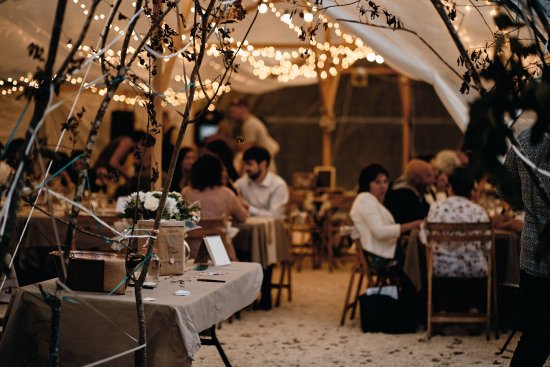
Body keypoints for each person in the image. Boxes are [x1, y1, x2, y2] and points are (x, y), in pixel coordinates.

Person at [501, 128, 550, 367]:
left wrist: (530, 208)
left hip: (533, 250)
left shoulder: (524, 139)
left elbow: (504, 188)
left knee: (533, 336)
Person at [349, 164, 422, 273]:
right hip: (379, 257)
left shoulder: (372, 201)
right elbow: (380, 232)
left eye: (385, 182)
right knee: (420, 260)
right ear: (367, 184)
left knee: (418, 251)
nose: (383, 186)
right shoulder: (365, 200)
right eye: (377, 182)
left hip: (382, 252)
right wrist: (414, 224)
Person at [182, 154, 248, 261]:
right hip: (219, 251)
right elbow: (242, 217)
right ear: (218, 172)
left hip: (191, 250)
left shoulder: (186, 192)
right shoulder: (226, 193)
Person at [427, 168, 490, 278]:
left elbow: (428, 241)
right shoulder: (479, 211)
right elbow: (487, 246)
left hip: (442, 268)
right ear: (472, 190)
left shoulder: (436, 208)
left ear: (449, 187)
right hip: (475, 269)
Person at [234, 146, 288, 219]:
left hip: (271, 229)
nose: (245, 168)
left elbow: (274, 216)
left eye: (249, 164)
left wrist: (248, 208)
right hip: (247, 228)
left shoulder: (278, 185)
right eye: (244, 164)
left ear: (263, 164)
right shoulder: (241, 182)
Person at [229, 98, 280, 171]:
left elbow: (246, 148)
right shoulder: (251, 121)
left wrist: (233, 144)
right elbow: (245, 140)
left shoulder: (249, 124)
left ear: (244, 109)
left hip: (263, 166)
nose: (232, 114)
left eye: (233, 110)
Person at [385, 159, 435, 225]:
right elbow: (421, 217)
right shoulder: (403, 195)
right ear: (417, 178)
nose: (432, 180)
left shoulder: (416, 193)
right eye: (428, 176)